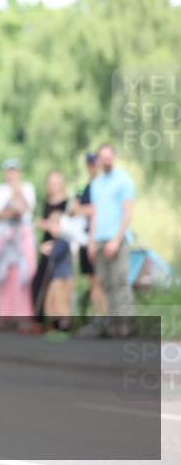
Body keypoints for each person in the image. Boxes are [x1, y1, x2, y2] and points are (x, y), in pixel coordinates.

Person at [78, 144, 136, 338]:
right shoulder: (96, 184)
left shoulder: (124, 180)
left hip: (117, 239)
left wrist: (117, 239)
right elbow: (94, 215)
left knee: (120, 280)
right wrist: (92, 241)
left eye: (109, 156)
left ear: (114, 157)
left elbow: (127, 213)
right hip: (100, 240)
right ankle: (113, 322)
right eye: (102, 157)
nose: (106, 160)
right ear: (98, 160)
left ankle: (126, 322)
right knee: (106, 283)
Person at [0, 158, 37, 330]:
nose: (12, 174)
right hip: (4, 235)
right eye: (9, 171)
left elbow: (23, 209)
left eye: (15, 171)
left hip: (22, 236)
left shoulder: (27, 188)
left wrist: (16, 193)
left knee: (23, 276)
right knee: (3, 276)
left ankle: (23, 316)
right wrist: (9, 211)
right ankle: (4, 317)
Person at [29, 170, 70, 331]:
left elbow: (64, 227)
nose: (53, 187)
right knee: (39, 282)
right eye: (51, 183)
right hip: (46, 246)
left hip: (58, 247)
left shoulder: (67, 203)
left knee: (58, 289)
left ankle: (60, 324)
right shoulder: (46, 203)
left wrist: (47, 225)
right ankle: (41, 319)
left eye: (57, 183)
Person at [72, 152, 107, 316]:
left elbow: (97, 210)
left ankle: (107, 317)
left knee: (102, 281)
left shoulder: (105, 185)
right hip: (85, 238)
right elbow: (75, 208)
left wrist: (84, 210)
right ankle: (98, 318)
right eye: (89, 164)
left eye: (94, 164)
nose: (92, 167)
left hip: (100, 237)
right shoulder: (84, 187)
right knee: (93, 281)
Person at [40, 209, 73, 334]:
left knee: (61, 303)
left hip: (62, 277)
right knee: (53, 302)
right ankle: (56, 326)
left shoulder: (63, 241)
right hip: (56, 276)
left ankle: (64, 328)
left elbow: (54, 253)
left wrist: (46, 249)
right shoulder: (58, 241)